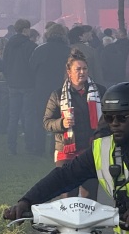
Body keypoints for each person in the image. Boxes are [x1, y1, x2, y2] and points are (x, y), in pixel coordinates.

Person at [3, 82, 129, 233]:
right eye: (109, 117)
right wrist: (27, 201)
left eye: (122, 118)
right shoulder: (101, 149)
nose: (114, 124)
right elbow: (64, 176)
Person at [43, 49, 106, 199]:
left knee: (89, 197)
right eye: (78, 69)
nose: (82, 72)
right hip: (66, 151)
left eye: (85, 69)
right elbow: (47, 122)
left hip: (90, 150)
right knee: (68, 197)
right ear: (69, 72)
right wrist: (62, 123)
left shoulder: (100, 92)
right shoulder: (58, 95)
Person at [29, 24, 72, 156]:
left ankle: (38, 148)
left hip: (42, 89)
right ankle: (56, 149)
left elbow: (31, 69)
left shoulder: (40, 50)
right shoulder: (69, 51)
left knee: (40, 119)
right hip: (61, 89)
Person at [3, 18, 37, 156]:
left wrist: (9, 78)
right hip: (28, 84)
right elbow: (34, 65)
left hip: (13, 84)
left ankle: (11, 146)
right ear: (25, 30)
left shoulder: (9, 45)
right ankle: (29, 146)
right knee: (28, 116)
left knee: (13, 116)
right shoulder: (31, 46)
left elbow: (5, 63)